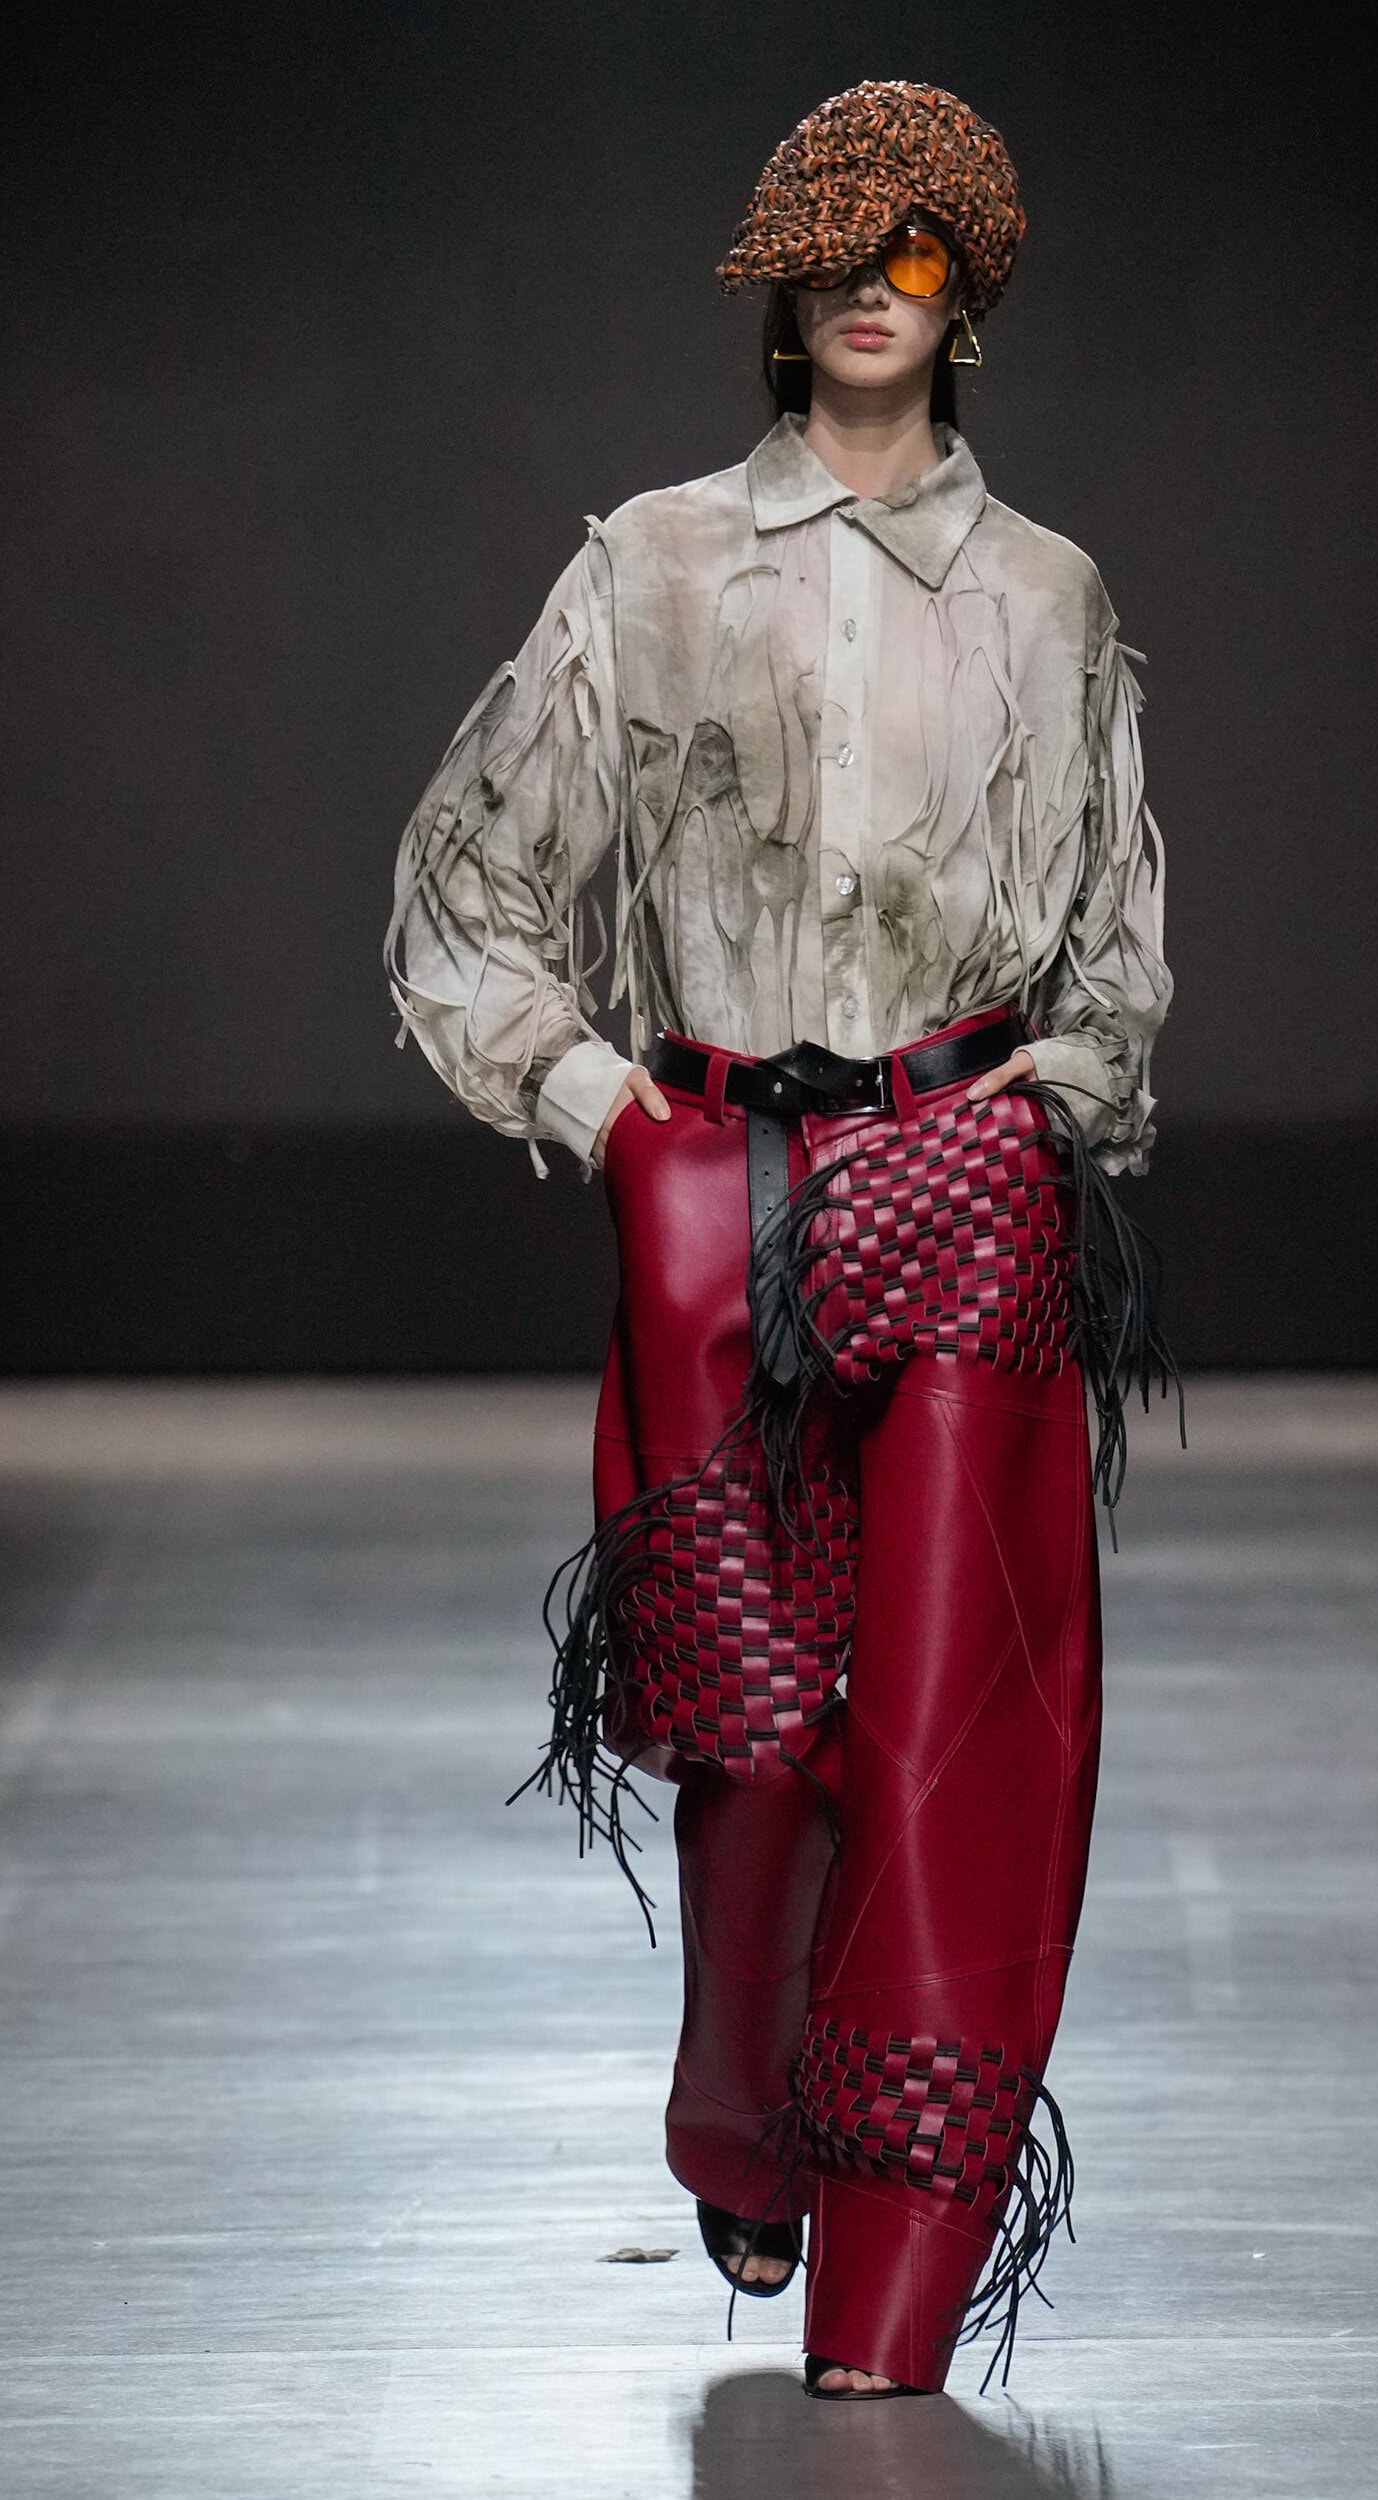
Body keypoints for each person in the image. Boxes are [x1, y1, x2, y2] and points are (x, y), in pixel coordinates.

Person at [386, 79, 1177, 2400]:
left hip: (960, 1179)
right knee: (748, 1745)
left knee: (948, 1741)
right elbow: (466, 892)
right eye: (831, 247)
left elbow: (1117, 950)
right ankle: (745, 2112)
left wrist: (1056, 1099)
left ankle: (893, 2284)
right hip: (724, 1187)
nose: (870, 284)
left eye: (915, 248)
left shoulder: (1047, 597)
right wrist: (600, 1103)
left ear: (969, 288)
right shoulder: (648, 569)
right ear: (777, 286)